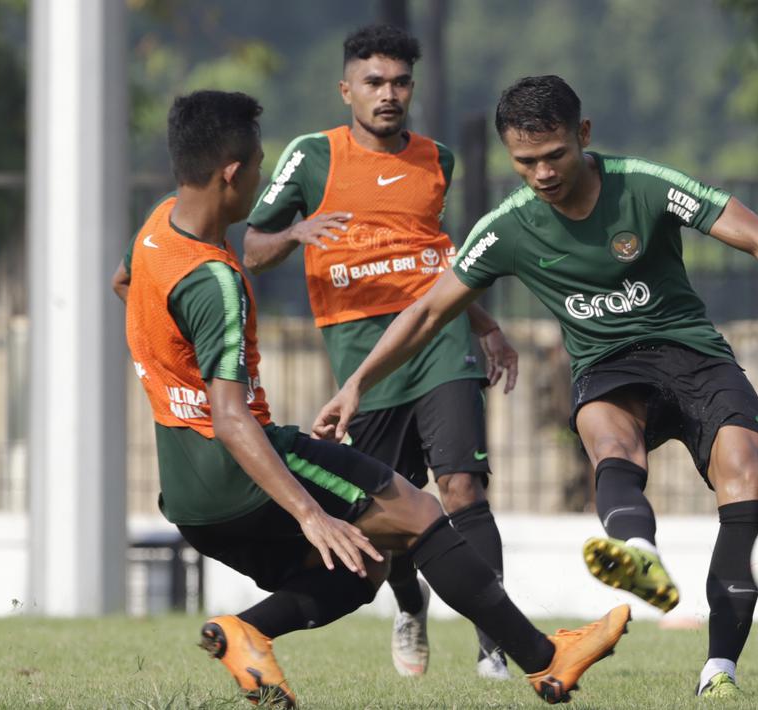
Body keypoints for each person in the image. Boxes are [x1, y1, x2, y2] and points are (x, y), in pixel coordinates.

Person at [313, 75, 758, 699]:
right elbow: (428, 311)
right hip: (607, 365)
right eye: (525, 161)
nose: (541, 173)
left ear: (582, 136)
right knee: (610, 441)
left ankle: (719, 669)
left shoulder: (644, 183)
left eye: (554, 155)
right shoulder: (508, 227)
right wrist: (357, 385)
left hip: (692, 352)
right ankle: (639, 552)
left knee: (745, 471)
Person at [113, 89, 628, 708]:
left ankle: (248, 631)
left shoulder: (155, 231)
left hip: (189, 493)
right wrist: (310, 513)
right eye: (257, 169)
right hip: (240, 463)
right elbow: (229, 416)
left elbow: (123, 283)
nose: (261, 181)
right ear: (231, 174)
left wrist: (170, 365)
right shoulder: (216, 281)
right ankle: (546, 660)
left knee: (365, 567)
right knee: (420, 515)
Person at [244, 24, 517, 680]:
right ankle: (408, 604)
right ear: (347, 90)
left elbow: (431, 261)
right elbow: (252, 247)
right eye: (373, 83)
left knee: (462, 485)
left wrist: (481, 323)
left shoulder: (437, 159)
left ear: (411, 88)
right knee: (385, 507)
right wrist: (295, 233)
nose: (387, 94)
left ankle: (492, 645)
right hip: (359, 349)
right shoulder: (311, 156)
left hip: (440, 340)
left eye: (398, 83)